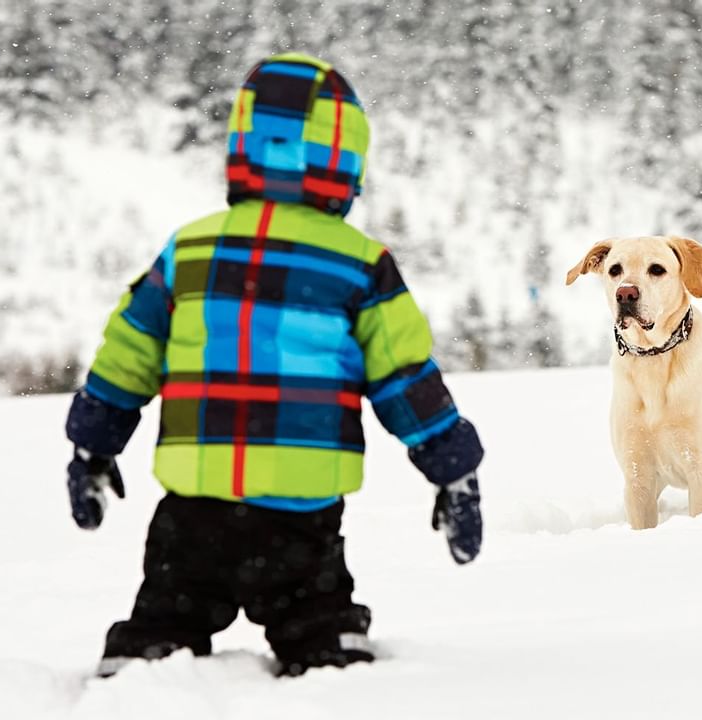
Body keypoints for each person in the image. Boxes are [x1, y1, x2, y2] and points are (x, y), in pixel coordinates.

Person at [62, 53, 484, 678]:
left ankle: (142, 660)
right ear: (345, 165)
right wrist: (453, 470)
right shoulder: (359, 264)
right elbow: (405, 379)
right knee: (317, 617)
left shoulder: (191, 250)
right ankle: (327, 652)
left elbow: (128, 354)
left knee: (167, 617)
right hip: (301, 512)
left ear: (242, 150)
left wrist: (93, 445)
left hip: (194, 506)